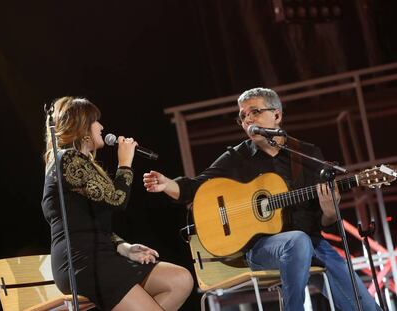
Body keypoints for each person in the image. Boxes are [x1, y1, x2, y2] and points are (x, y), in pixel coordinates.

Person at [143, 88, 381, 311]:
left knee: (366, 307)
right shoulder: (237, 157)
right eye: (242, 116)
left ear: (276, 115)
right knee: (297, 241)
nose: (247, 120)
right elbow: (197, 188)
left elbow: (325, 222)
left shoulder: (306, 155)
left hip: (313, 243)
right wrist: (168, 184)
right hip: (260, 250)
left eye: (255, 112)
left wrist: (330, 209)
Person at [42, 97, 193, 311]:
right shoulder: (67, 159)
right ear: (82, 125)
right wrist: (125, 162)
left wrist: (124, 247)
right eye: (96, 121)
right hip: (81, 262)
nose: (101, 126)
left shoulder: (81, 163)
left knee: (179, 280)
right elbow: (117, 199)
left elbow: (93, 221)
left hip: (102, 256)